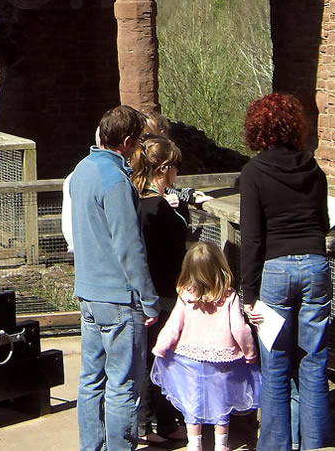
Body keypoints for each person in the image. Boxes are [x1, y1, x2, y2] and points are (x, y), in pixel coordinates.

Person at [237, 93, 331, 451]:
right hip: (315, 265)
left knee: (275, 365)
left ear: (257, 130)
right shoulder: (314, 168)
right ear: (295, 126)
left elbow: (252, 239)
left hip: (274, 272)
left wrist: (249, 294)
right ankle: (316, 443)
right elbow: (322, 222)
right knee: (314, 360)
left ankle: (276, 446)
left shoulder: (254, 173)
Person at [68, 105, 159, 451]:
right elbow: (129, 247)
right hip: (119, 299)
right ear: (126, 141)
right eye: (137, 142)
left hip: (88, 293)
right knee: (122, 384)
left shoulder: (81, 170)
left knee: (91, 379)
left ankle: (91, 446)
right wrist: (149, 299)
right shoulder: (116, 182)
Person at [151, 241, 261, 451]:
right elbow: (239, 329)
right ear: (221, 266)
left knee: (193, 402)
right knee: (221, 402)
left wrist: (161, 347)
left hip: (188, 359)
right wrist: (250, 352)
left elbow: (173, 325)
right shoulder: (228, 295)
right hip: (222, 360)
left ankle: (195, 445)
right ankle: (221, 445)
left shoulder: (186, 294)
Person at [132, 135, 194, 443]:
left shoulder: (136, 201)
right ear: (165, 168)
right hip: (164, 292)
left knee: (147, 358)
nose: (177, 174)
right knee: (161, 358)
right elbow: (174, 253)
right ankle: (163, 424)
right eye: (176, 167)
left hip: (146, 289)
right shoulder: (158, 208)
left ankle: (147, 423)